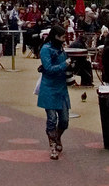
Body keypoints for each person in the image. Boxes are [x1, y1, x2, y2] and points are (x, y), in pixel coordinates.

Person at [37, 23, 71, 160]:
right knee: (52, 119)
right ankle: (53, 145)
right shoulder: (46, 49)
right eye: (62, 37)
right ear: (55, 36)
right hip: (49, 88)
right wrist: (65, 64)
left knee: (64, 120)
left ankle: (57, 137)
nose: (64, 39)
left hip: (61, 88)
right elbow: (49, 68)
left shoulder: (61, 48)